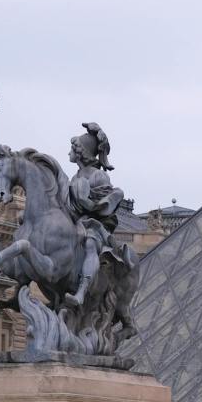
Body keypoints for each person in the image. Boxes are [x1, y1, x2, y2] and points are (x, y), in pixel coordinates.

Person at [63, 122, 131, 308]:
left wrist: (87, 204)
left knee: (91, 244)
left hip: (95, 226)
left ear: (80, 152)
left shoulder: (98, 177)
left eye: (72, 148)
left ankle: (81, 291)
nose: (69, 152)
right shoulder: (75, 177)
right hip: (75, 223)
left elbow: (106, 203)